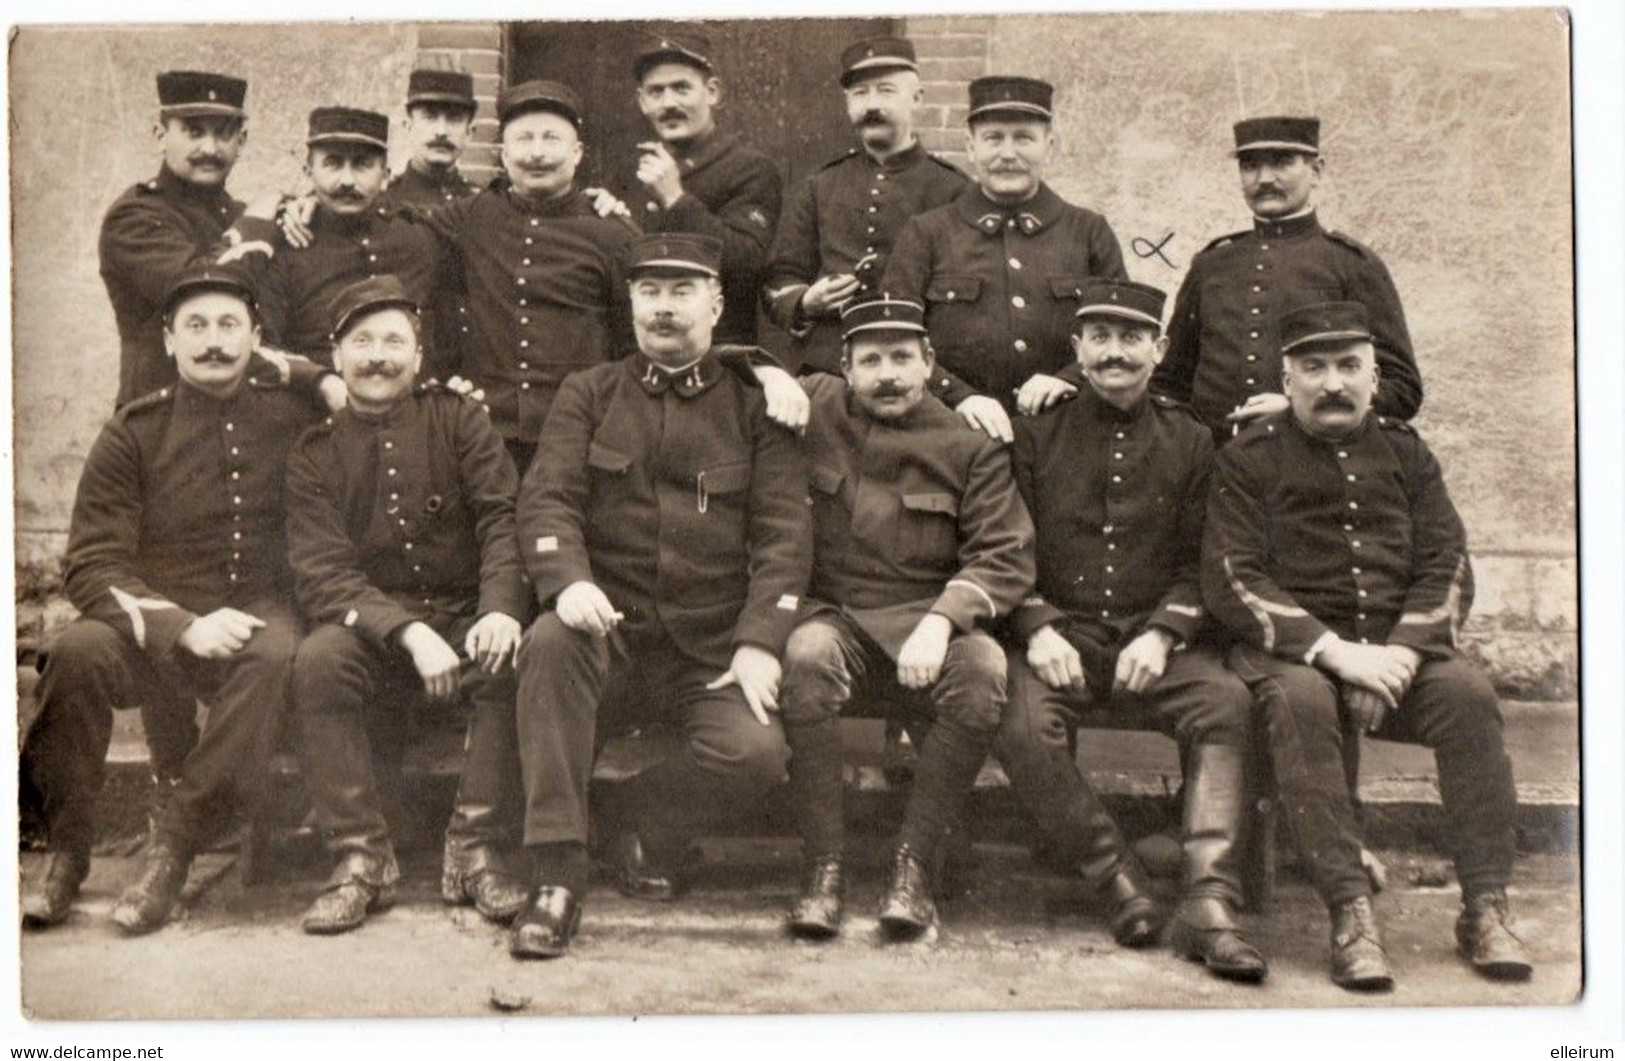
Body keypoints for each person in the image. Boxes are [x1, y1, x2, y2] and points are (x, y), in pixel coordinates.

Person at [1202, 300, 1531, 990]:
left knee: (1468, 695)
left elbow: (1446, 561)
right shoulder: (1248, 459)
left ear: (1374, 377)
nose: (1332, 384)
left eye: (1348, 366)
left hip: (1398, 654)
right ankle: (1350, 913)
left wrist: (1399, 655)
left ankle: (1485, 905)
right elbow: (1233, 575)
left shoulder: (1408, 454)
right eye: (1313, 367)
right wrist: (1336, 653)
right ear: (1284, 379)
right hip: (1294, 654)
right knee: (1302, 705)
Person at [509, 233, 811, 959]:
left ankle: (635, 819)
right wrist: (569, 580)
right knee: (549, 642)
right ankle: (554, 877)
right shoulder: (589, 393)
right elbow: (546, 502)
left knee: (754, 753)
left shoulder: (754, 403)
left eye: (682, 291)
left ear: (716, 303)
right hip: (607, 639)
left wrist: (757, 642)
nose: (663, 308)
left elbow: (784, 536)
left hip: (707, 647)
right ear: (630, 301)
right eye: (649, 291)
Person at [20, 265, 331, 933]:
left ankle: (176, 839)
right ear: (167, 340)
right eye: (195, 326)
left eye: (228, 325)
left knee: (277, 649)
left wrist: (316, 377)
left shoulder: (293, 417)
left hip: (258, 610)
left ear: (256, 337)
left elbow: (350, 386)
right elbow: (91, 561)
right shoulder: (133, 431)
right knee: (73, 651)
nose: (213, 342)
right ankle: (67, 850)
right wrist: (182, 626)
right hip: (155, 619)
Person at [998, 278, 1265, 979]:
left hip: (1152, 638)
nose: (1115, 353)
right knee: (1020, 720)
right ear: (1077, 348)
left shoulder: (1191, 439)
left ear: (1159, 348)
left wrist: (1163, 632)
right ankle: (1117, 878)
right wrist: (1034, 625)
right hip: (1061, 635)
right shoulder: (1034, 431)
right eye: (1100, 337)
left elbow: (1201, 558)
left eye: (1131, 338)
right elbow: (1005, 543)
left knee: (1226, 702)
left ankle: (1208, 896)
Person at [778, 293, 1033, 941]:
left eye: (900, 357)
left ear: (928, 363)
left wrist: (945, 617)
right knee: (805, 655)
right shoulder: (816, 405)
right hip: (838, 618)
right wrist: (761, 370)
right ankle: (822, 868)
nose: (886, 373)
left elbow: (1002, 555)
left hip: (928, 621)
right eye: (870, 359)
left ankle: (912, 867)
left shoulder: (965, 445)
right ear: (844, 365)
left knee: (981, 670)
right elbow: (735, 369)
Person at [284, 276, 530, 935]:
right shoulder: (312, 455)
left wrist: (500, 606)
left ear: (419, 356)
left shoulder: (459, 419)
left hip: (463, 613)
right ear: (335, 357)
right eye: (360, 341)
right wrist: (407, 630)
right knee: (317, 659)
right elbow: (324, 575)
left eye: (394, 340)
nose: (376, 356)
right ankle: (361, 856)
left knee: (512, 653)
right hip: (372, 630)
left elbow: (501, 519)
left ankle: (474, 848)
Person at [881, 75, 1127, 443]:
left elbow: (1124, 332)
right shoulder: (927, 232)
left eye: (1024, 138)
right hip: (952, 432)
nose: (1008, 154)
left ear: (1050, 146)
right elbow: (894, 336)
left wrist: (1069, 378)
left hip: (1068, 432)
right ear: (970, 147)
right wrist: (959, 396)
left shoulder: (1088, 231)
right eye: (993, 138)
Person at [1154, 117, 1423, 439]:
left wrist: (1303, 407)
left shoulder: (1352, 264)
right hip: (1216, 468)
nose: (1265, 179)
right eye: (1250, 165)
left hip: (1313, 464)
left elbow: (1403, 389)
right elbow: (1171, 382)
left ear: (1317, 170)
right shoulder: (1211, 264)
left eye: (1282, 163)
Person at [761, 35, 965, 376]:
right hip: (826, 367)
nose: (871, 104)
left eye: (886, 90)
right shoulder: (821, 184)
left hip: (914, 371)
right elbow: (781, 275)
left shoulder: (954, 188)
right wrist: (807, 301)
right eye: (860, 93)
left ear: (916, 98)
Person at [100, 70, 283, 408]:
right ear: (160, 135)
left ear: (241, 142)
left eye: (224, 134)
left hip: (243, 418)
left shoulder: (240, 214)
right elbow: (205, 285)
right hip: (160, 422)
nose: (209, 148)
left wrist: (300, 207)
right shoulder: (133, 217)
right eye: (194, 132)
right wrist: (259, 219)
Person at [628, 27, 781, 345]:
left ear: (712, 92)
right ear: (642, 102)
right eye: (656, 92)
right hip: (637, 351)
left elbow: (745, 263)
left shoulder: (750, 169)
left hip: (718, 355)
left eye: (681, 88)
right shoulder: (629, 170)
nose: (668, 103)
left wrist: (675, 198)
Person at [258, 108, 441, 365]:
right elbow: (264, 346)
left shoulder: (420, 241)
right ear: (308, 171)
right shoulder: (285, 243)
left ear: (386, 176)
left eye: (362, 165)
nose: (346, 180)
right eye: (332, 163)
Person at [379, 69, 481, 382]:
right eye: (430, 116)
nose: (441, 130)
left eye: (453, 119)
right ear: (408, 125)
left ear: (470, 131)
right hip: (403, 365)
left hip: (470, 368)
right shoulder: (384, 202)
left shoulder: (482, 205)